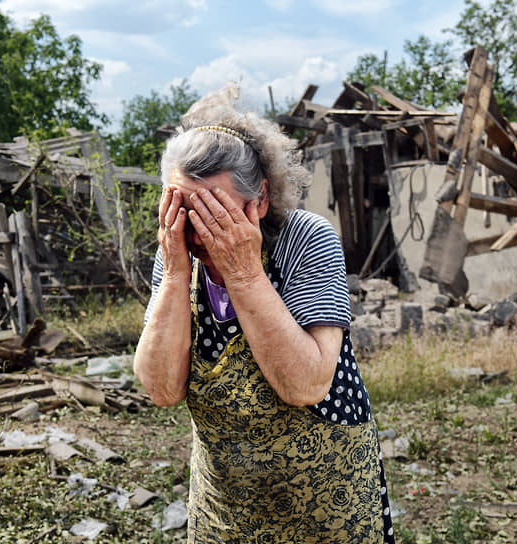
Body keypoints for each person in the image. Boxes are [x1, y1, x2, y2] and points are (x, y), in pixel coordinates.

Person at [134, 86, 394, 544]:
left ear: (260, 201)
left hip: (326, 497)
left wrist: (244, 273)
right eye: (182, 209)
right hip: (226, 504)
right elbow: (161, 388)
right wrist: (175, 272)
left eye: (214, 212)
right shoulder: (175, 253)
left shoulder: (305, 239)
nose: (197, 231)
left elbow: (307, 383)